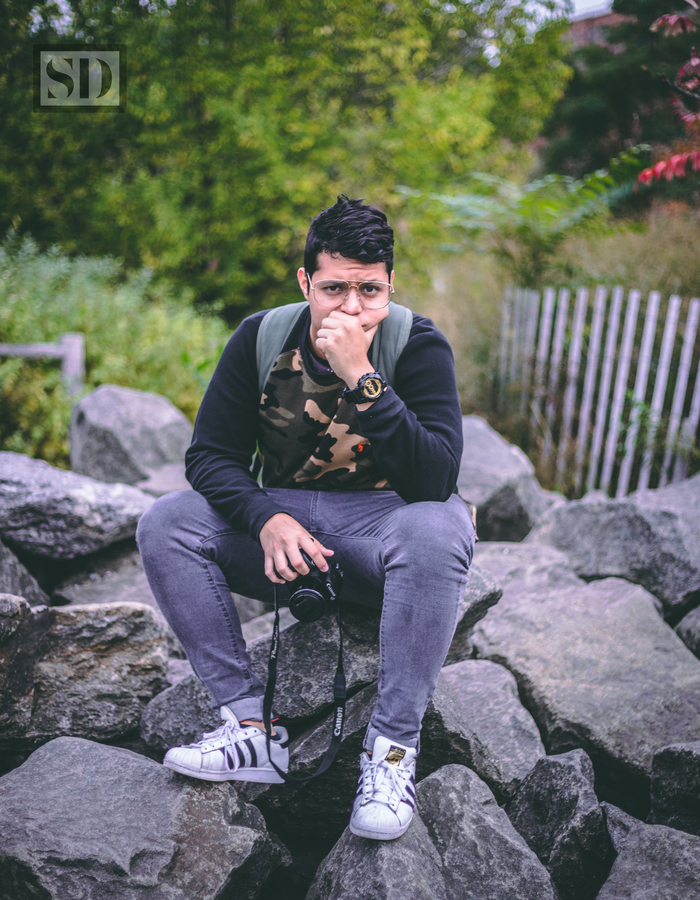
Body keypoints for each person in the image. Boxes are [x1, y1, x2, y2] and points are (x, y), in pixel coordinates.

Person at [136, 195, 475, 841]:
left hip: (383, 536)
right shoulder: (262, 337)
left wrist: (362, 375)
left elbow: (436, 481)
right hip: (287, 533)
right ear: (305, 283)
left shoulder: (417, 344)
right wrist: (265, 519)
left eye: (369, 290)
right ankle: (248, 729)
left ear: (391, 284)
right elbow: (209, 457)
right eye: (334, 288)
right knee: (168, 522)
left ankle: (391, 755)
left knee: (440, 528)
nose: (351, 308)